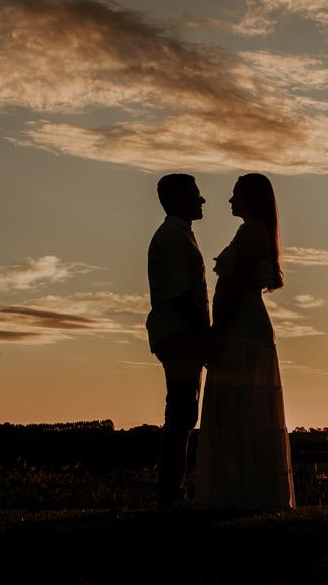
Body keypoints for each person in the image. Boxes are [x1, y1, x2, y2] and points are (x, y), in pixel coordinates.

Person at [195, 173, 296, 511]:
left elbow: (237, 285)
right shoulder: (251, 231)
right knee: (238, 411)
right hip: (240, 325)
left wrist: (218, 329)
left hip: (242, 328)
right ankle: (238, 493)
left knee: (242, 410)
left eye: (235, 193)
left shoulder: (252, 232)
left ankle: (245, 494)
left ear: (250, 197)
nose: (229, 200)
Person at [146, 173, 210, 510]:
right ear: (175, 198)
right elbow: (181, 292)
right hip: (179, 332)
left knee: (184, 413)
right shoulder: (172, 236)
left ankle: (172, 492)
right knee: (182, 414)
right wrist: (205, 333)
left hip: (181, 332)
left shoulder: (180, 234)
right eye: (195, 194)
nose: (202, 200)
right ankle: (170, 494)